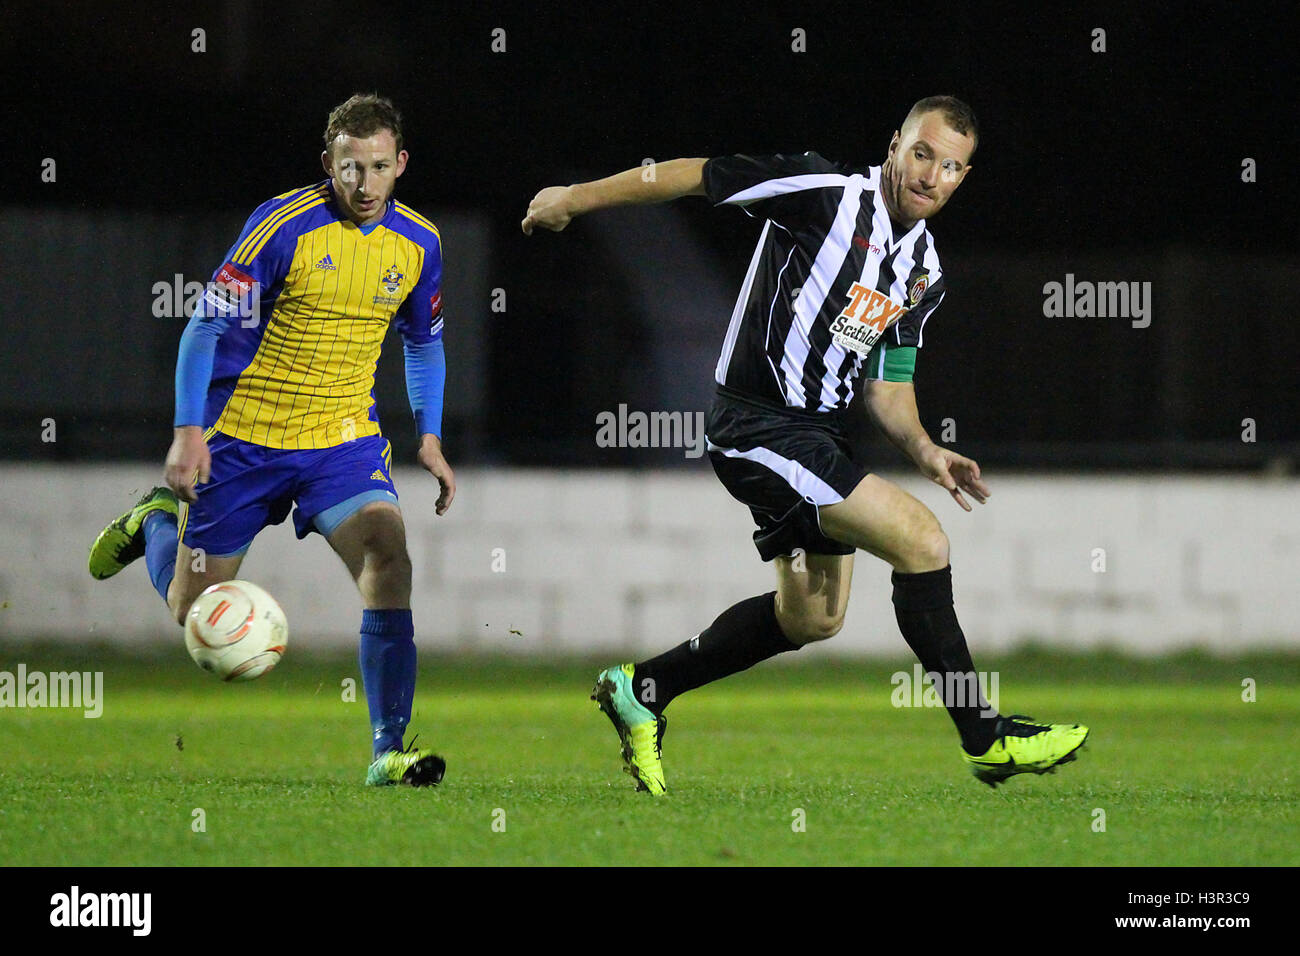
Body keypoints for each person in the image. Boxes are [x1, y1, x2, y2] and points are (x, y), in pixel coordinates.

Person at [522, 95, 1088, 794]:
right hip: (755, 425)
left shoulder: (922, 271)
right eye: (921, 153)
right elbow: (698, 175)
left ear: (962, 178)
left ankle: (644, 687)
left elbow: (888, 390)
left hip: (818, 437)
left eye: (950, 166)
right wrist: (575, 199)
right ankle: (985, 733)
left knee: (811, 616)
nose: (930, 174)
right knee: (923, 540)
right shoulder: (822, 194)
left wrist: (926, 450)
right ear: (893, 146)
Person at [89, 93, 454, 787]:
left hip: (341, 442)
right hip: (244, 440)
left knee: (389, 554)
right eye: (350, 168)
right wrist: (188, 433)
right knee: (193, 611)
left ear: (400, 164)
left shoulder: (421, 245)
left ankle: (388, 749)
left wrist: (429, 437)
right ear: (328, 164)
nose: (364, 184)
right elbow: (203, 327)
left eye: (378, 167)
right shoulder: (281, 225)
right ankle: (157, 521)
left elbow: (424, 343)